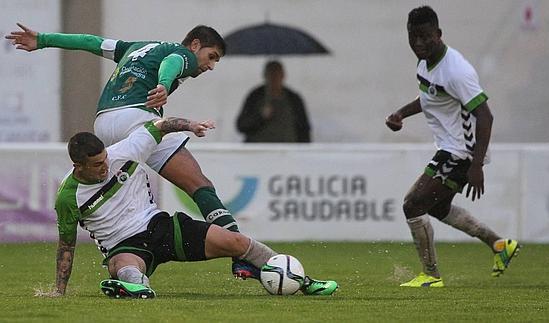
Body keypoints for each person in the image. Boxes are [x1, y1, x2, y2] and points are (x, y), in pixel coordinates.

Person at [6, 23, 254, 278]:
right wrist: (164, 85)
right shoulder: (182, 54)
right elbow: (173, 62)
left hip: (104, 122)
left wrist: (44, 39)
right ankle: (242, 255)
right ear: (195, 45)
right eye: (211, 56)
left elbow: (90, 41)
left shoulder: (134, 48)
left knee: (120, 191)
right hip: (137, 118)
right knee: (200, 185)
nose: (210, 65)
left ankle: (123, 254)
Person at [49, 117, 338, 298]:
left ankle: (303, 282)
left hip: (160, 225)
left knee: (237, 241)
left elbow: (160, 126)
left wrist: (190, 126)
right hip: (124, 244)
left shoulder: (123, 152)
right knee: (124, 267)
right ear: (78, 165)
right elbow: (66, 246)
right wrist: (59, 291)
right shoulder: (67, 197)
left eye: (105, 160)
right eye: (97, 165)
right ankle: (134, 287)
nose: (105, 167)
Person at [385, 6, 520, 287]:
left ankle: (431, 276)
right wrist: (401, 114)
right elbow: (431, 96)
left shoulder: (457, 71)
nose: (419, 44)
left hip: (461, 153)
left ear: (439, 34)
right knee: (436, 208)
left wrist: (476, 164)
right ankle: (499, 245)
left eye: (425, 37)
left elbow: (485, 115)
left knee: (413, 204)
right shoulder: (425, 63)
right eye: (413, 37)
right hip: (450, 149)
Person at [236, 60, 311, 142]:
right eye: (271, 74)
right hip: (259, 150)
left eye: (277, 74)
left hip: (288, 150)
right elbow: (241, 125)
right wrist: (260, 117)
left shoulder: (294, 99)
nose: (274, 78)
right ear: (265, 76)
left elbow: (304, 128)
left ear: (283, 76)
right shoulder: (255, 97)